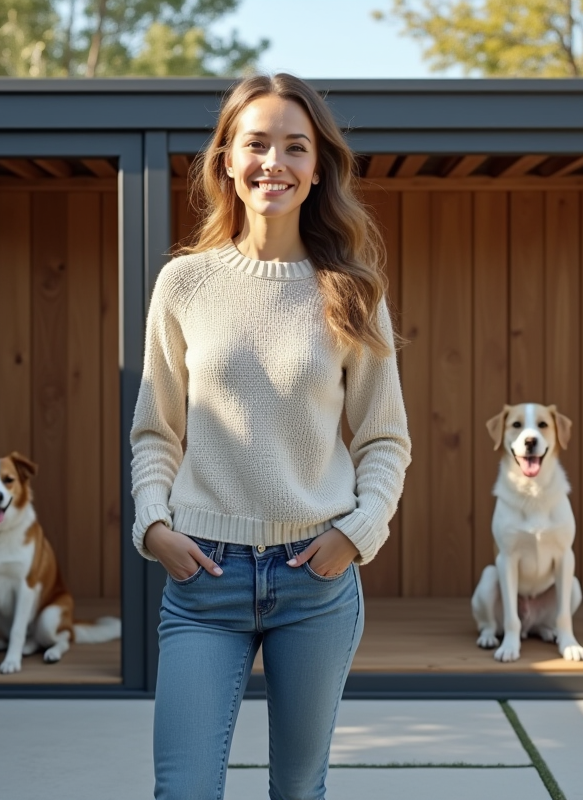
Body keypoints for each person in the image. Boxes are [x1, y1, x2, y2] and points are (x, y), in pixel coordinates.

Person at [128, 72, 412, 800]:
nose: (273, 163)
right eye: (256, 144)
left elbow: (384, 439)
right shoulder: (183, 285)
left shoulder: (353, 291)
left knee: (297, 790)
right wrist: (154, 526)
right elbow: (156, 430)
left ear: (317, 169)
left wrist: (357, 533)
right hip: (203, 578)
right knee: (183, 790)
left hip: (316, 578)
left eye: (295, 147)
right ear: (227, 158)